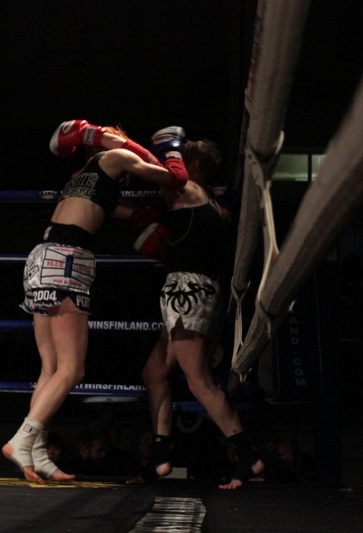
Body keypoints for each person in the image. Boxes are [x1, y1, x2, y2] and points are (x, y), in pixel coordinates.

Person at [1, 119, 190, 484]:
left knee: (50, 368)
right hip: (68, 260)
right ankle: (22, 438)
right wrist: (172, 152)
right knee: (72, 370)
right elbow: (173, 180)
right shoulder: (118, 155)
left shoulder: (81, 176)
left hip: (42, 257)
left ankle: (37, 453)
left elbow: (112, 209)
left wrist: (141, 216)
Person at [125, 129, 265, 489]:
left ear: (195, 164)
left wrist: (123, 150)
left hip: (187, 290)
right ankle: (160, 456)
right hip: (190, 290)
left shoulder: (186, 190)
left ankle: (248, 456)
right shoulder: (216, 206)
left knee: (199, 380)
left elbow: (155, 170)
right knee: (155, 371)